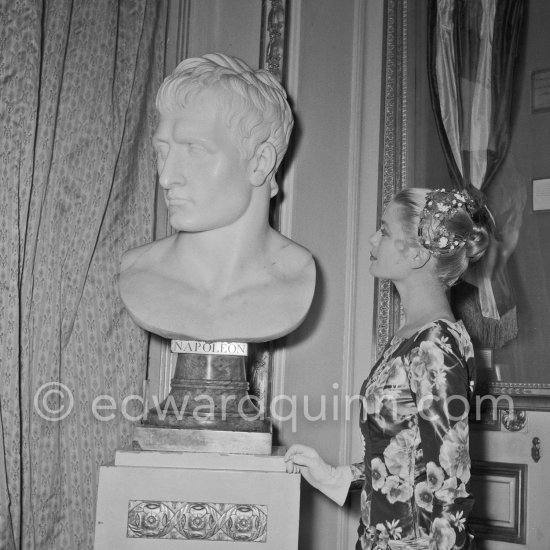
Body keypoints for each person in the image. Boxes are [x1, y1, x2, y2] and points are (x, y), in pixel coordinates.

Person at [285, 187, 490, 549]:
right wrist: (336, 476)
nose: (372, 238)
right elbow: (406, 456)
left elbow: (448, 481)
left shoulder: (434, 346)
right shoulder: (409, 337)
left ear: (415, 254)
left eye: (384, 230)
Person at [119, 53, 315, 343]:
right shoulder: (138, 270)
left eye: (194, 150)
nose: (167, 178)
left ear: (259, 162)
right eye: (162, 152)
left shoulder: (296, 277)